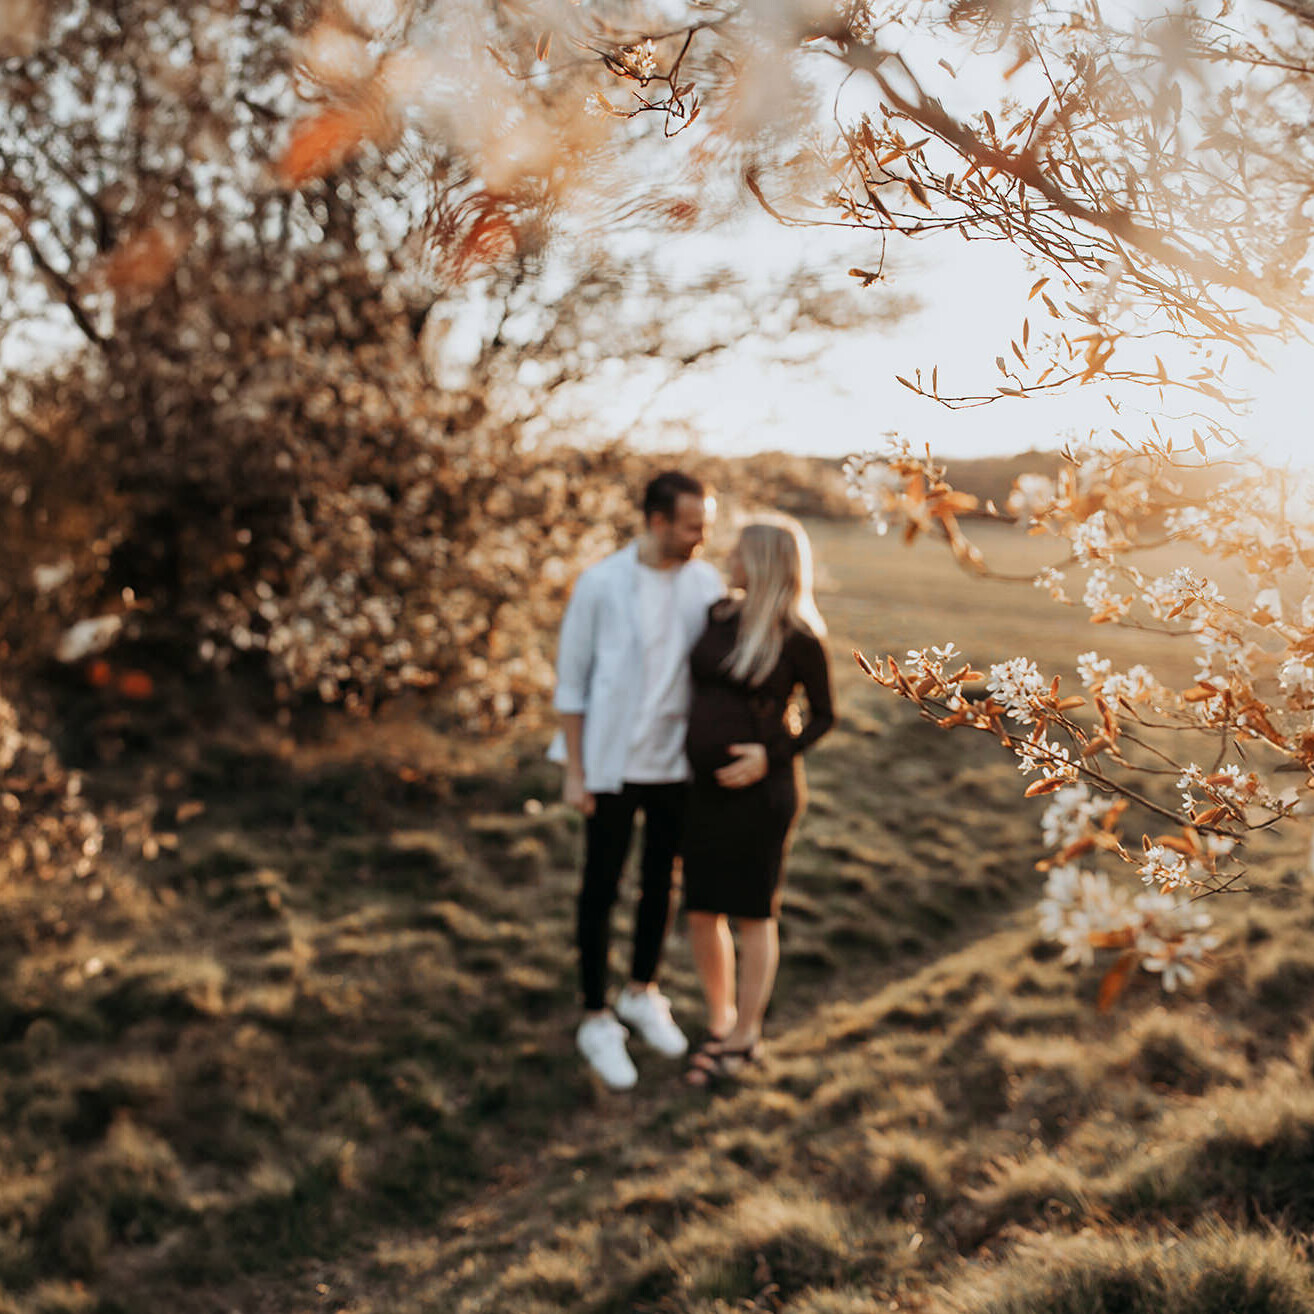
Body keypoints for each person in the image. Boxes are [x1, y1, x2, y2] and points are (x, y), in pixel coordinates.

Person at [550, 471, 725, 1090]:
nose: (702, 538)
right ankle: (595, 1017)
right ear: (655, 520)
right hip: (610, 766)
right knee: (599, 888)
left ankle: (641, 993)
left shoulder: (706, 584)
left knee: (661, 885)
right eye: (691, 526)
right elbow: (571, 685)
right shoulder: (600, 585)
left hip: (675, 767)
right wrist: (575, 770)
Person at [681, 515, 835, 1085]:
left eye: (740, 550)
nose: (728, 555)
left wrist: (770, 756)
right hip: (702, 790)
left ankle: (746, 1035)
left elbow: (826, 717)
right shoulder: (718, 615)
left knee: (751, 912)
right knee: (700, 910)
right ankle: (720, 1021)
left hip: (762, 796)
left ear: (765, 559)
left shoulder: (799, 635)